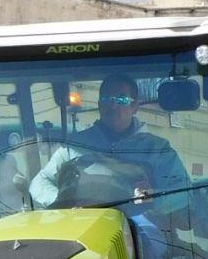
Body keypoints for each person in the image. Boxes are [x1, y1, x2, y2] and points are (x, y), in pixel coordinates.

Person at [28, 74, 193, 210]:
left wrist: (153, 197)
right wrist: (62, 200)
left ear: (135, 106)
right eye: (107, 99)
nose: (113, 106)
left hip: (139, 227)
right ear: (99, 104)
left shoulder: (156, 149)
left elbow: (185, 192)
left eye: (121, 100)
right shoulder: (75, 146)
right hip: (84, 223)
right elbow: (39, 182)